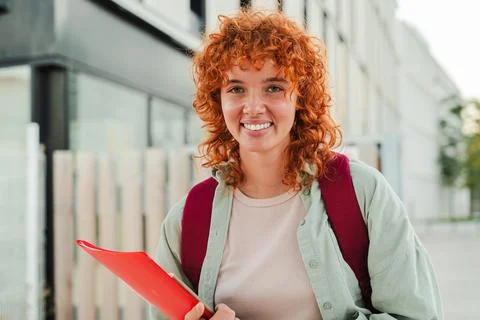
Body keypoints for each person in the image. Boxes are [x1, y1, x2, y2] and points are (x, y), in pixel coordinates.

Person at [149, 9, 442, 320]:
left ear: (301, 97)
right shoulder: (189, 218)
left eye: (273, 87)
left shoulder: (362, 193)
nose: (253, 107)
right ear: (217, 99)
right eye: (236, 89)